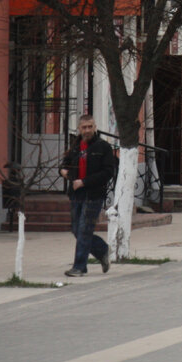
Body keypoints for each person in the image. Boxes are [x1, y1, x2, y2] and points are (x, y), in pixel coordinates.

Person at [58, 114, 118, 277]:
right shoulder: (76, 147)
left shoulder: (103, 147)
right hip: (76, 194)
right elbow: (66, 163)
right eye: (84, 127)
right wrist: (63, 171)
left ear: (95, 127)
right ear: (79, 129)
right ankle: (103, 250)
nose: (87, 130)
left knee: (84, 229)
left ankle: (79, 267)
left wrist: (85, 182)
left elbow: (108, 172)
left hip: (93, 194)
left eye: (90, 127)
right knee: (77, 230)